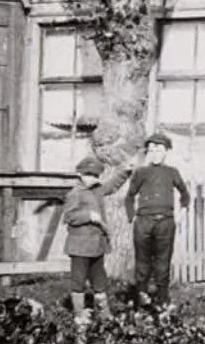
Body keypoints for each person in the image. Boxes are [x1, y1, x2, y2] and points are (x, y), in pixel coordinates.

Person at [125, 132, 190, 306]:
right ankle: (141, 301)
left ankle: (162, 303)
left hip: (165, 223)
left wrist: (180, 215)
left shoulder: (172, 172)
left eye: (159, 150)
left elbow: (185, 194)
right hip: (143, 222)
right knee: (142, 263)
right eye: (151, 150)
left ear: (166, 152)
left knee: (162, 264)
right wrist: (131, 217)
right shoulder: (141, 172)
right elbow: (129, 196)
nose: (155, 154)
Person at [62, 154, 112, 320]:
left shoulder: (97, 190)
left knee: (100, 281)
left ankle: (103, 314)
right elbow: (69, 216)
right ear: (80, 175)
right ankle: (79, 314)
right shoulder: (75, 193)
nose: (93, 179)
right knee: (78, 281)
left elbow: (112, 186)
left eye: (96, 175)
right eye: (89, 175)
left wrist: (125, 172)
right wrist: (88, 215)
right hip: (80, 247)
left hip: (97, 246)